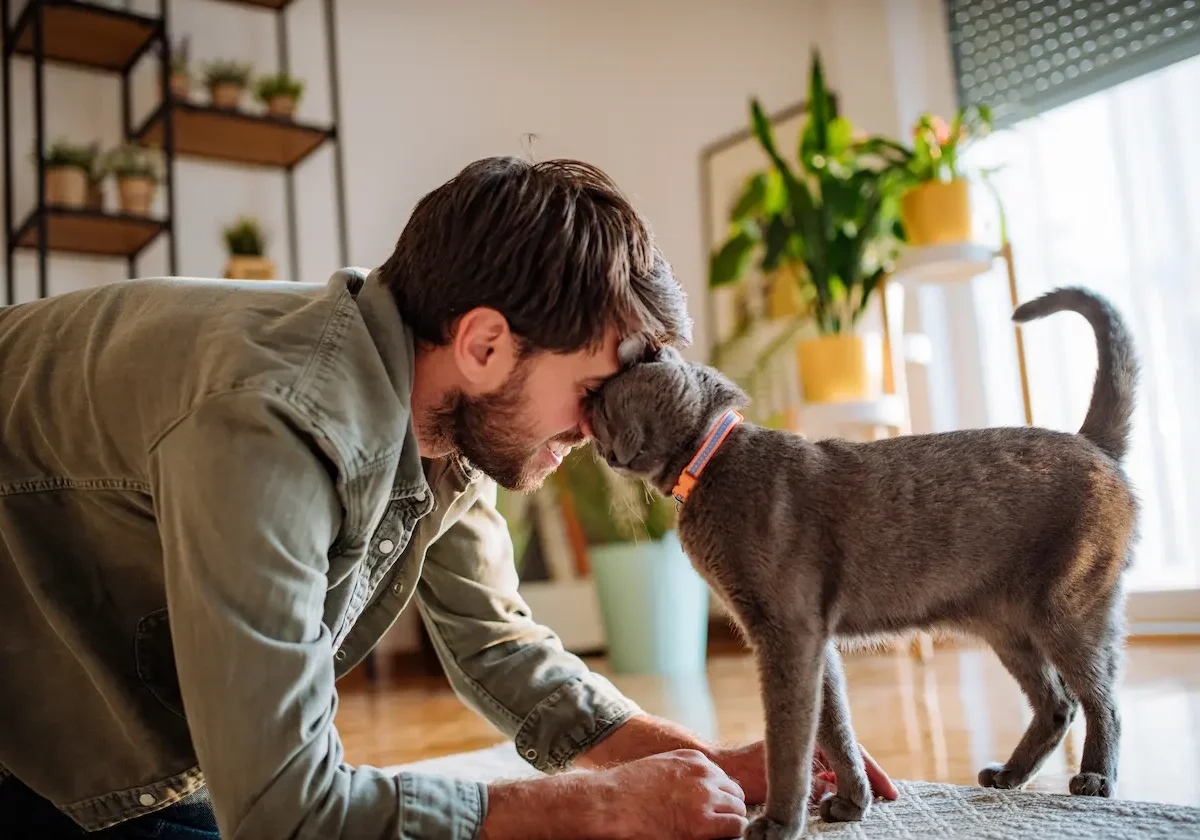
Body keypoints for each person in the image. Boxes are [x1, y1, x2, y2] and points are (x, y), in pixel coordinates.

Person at [0, 157, 896, 839]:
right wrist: (594, 810)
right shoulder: (271, 426)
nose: (599, 431)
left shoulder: (436, 409)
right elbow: (284, 811)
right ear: (484, 343)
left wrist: (694, 761)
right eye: (591, 391)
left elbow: (497, 645)